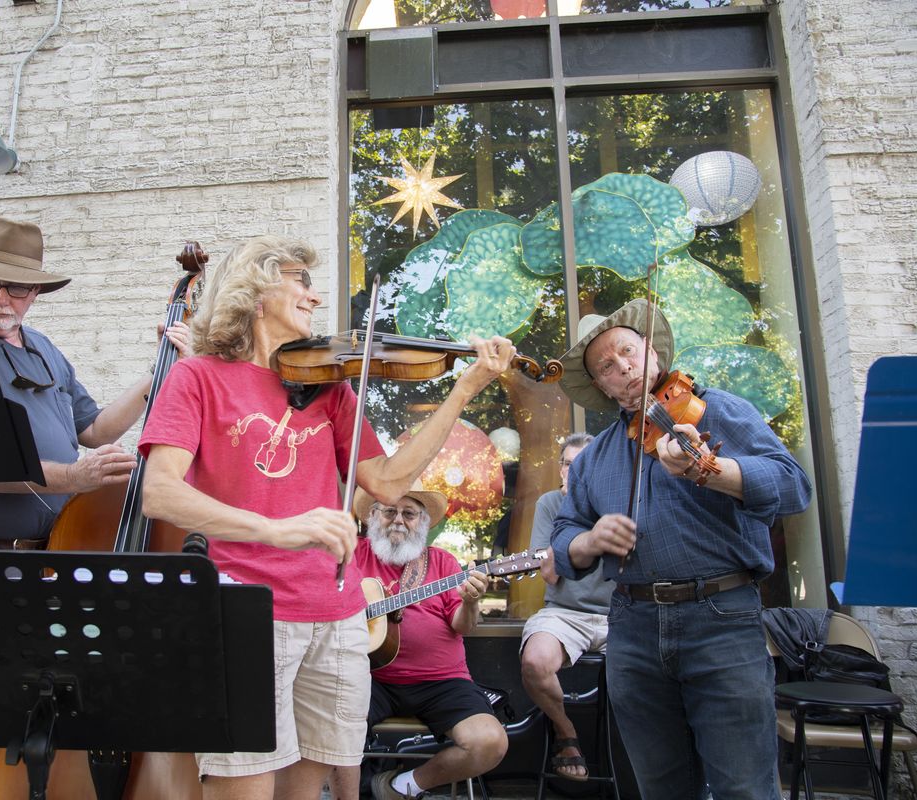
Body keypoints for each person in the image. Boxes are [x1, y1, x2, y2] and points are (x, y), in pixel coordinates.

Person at [138, 234, 516, 800]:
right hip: (246, 608)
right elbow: (160, 494)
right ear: (256, 288)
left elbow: (387, 482)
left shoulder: (332, 389)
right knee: (244, 783)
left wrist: (464, 389)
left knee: (309, 785)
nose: (315, 299)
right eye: (301, 282)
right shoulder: (198, 377)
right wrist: (275, 529)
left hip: (336, 616)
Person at [0, 216, 190, 800]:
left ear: (36, 294)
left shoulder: (46, 351)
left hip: (38, 561)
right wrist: (71, 479)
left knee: (8, 729)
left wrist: (158, 370)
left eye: (15, 288)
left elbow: (95, 427)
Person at [549, 299, 812, 800]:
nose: (622, 366)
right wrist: (589, 540)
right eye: (606, 365)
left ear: (650, 351)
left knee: (744, 786)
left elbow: (793, 487)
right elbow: (563, 541)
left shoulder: (720, 410)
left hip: (722, 619)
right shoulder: (593, 459)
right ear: (601, 387)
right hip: (632, 628)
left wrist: (707, 468)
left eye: (627, 351)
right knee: (660, 786)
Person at [342, 482, 508, 800]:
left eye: (409, 513)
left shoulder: (443, 563)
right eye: (390, 511)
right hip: (367, 676)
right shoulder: (353, 555)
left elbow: (464, 627)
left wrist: (471, 602)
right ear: (374, 516)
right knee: (332, 726)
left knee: (490, 742)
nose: (399, 520)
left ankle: (402, 786)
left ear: (423, 522)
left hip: (441, 681)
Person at [518, 431, 607, 783]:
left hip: (623, 614)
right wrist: (572, 513)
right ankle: (566, 733)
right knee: (535, 661)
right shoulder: (550, 504)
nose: (573, 472)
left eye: (581, 465)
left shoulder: (618, 503)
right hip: (566, 613)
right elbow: (551, 575)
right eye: (568, 465)